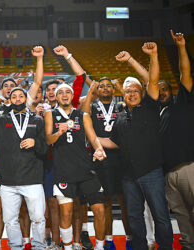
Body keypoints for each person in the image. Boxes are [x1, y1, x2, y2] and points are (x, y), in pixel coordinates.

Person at [98, 42, 173, 250]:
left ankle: (166, 247)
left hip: (151, 171)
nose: (131, 93)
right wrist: (90, 138)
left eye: (135, 90)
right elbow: (113, 141)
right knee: (134, 217)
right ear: (123, 94)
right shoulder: (121, 117)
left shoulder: (150, 106)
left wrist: (145, 57)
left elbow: (152, 79)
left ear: (142, 92)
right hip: (128, 175)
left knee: (161, 215)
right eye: (127, 91)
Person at [0, 87, 48, 250]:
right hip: (7, 181)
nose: (17, 99)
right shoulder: (1, 120)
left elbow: (45, 149)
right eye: (13, 96)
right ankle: (15, 246)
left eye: (20, 96)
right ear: (9, 99)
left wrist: (35, 143)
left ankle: (38, 246)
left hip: (32, 179)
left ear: (25, 98)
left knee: (38, 218)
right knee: (10, 219)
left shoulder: (37, 120)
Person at [45, 83, 106, 250]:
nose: (64, 95)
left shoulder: (82, 115)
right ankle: (68, 246)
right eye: (61, 93)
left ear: (72, 96)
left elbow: (93, 138)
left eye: (68, 92)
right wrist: (58, 133)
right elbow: (47, 140)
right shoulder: (50, 114)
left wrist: (99, 148)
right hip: (63, 171)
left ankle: (99, 247)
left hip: (85, 170)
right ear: (56, 97)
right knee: (66, 213)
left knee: (99, 210)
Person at [81, 78, 132, 250]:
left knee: (126, 202)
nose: (105, 88)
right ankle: (109, 240)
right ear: (97, 90)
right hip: (102, 159)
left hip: (122, 158)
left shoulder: (121, 105)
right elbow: (84, 114)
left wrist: (121, 89)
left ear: (113, 90)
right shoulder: (94, 106)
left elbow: (133, 105)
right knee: (107, 201)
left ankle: (130, 239)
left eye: (108, 86)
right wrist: (90, 91)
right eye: (101, 86)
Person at [159, 30, 194, 250]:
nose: (161, 92)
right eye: (158, 89)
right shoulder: (154, 113)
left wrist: (181, 47)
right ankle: (189, 244)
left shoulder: (181, 104)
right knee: (180, 213)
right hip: (167, 172)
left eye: (165, 89)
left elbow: (185, 74)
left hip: (188, 166)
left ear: (172, 91)